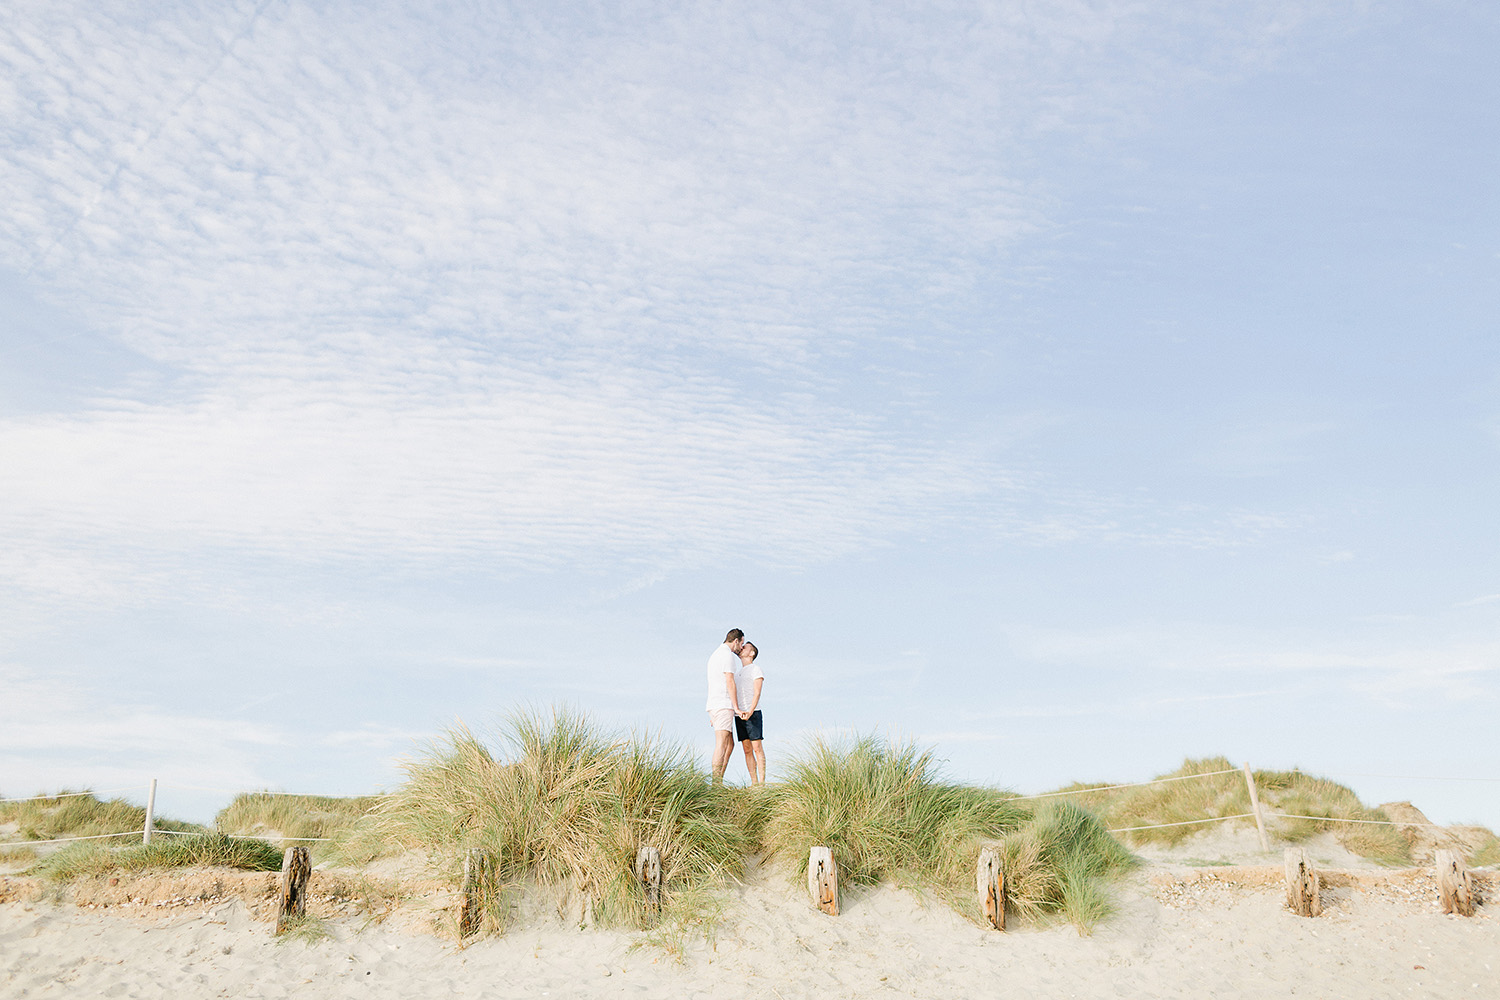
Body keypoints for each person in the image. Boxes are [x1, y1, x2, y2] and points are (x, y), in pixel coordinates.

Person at [705, 628, 746, 783]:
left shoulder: (715, 655)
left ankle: (719, 779)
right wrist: (736, 707)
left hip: (716, 704)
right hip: (722, 703)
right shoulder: (727, 656)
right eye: (741, 644)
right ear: (736, 641)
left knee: (730, 744)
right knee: (722, 743)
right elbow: (730, 681)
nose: (741, 648)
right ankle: (715, 784)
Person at [734, 642, 765, 785]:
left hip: (753, 712)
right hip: (739, 715)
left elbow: (757, 693)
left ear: (751, 653)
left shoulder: (756, 669)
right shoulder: (736, 673)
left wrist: (750, 711)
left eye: (745, 647)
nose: (742, 648)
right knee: (747, 749)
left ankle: (762, 783)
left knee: (757, 748)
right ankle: (754, 782)